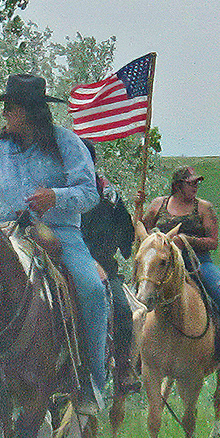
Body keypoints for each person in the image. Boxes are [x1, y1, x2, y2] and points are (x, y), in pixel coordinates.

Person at [0, 73, 107, 415]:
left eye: (10, 108)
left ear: (29, 111)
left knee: (91, 289)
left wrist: (55, 196)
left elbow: (90, 193)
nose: (5, 114)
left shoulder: (67, 143)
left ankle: (92, 382)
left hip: (59, 233)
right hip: (3, 233)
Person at [139, 166, 220, 375]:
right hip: (162, 265)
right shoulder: (158, 205)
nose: (196, 187)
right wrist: (152, 240)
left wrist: (186, 240)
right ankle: (134, 355)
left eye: (197, 183)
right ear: (178, 185)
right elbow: (144, 229)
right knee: (138, 299)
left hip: (198, 262)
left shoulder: (204, 208)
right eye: (191, 183)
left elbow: (213, 242)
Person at [79, 139, 139, 396]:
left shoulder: (109, 195)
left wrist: (134, 224)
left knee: (124, 308)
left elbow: (125, 231)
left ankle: (124, 368)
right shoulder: (60, 190)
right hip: (64, 263)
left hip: (105, 267)